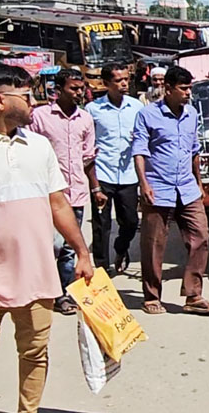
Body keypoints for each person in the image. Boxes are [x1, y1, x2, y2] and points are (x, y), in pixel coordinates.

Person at [0, 63, 94, 413]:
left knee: (35, 353)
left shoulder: (39, 146)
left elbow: (58, 203)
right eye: (27, 95)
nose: (34, 102)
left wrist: (81, 251)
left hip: (36, 275)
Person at [132, 66, 209, 316]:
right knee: (154, 243)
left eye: (190, 88)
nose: (188, 93)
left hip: (187, 188)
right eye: (183, 88)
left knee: (201, 235)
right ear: (167, 89)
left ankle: (193, 295)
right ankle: (151, 296)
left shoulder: (191, 114)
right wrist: (143, 184)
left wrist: (199, 182)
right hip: (157, 188)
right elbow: (139, 151)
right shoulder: (147, 115)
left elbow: (194, 150)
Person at [28, 68, 97, 316]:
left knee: (69, 247)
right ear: (58, 90)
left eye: (81, 89)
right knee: (49, 246)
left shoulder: (86, 120)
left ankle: (64, 295)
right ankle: (46, 289)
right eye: (73, 89)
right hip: (46, 194)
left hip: (76, 193)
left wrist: (95, 187)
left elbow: (89, 158)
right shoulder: (40, 117)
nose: (79, 93)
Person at [86, 63, 144, 275]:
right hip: (103, 173)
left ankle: (122, 247)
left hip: (129, 174)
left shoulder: (136, 107)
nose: (124, 84)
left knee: (130, 221)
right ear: (106, 83)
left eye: (126, 79)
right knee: (101, 224)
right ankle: (102, 268)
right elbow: (88, 141)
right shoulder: (93, 110)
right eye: (119, 80)